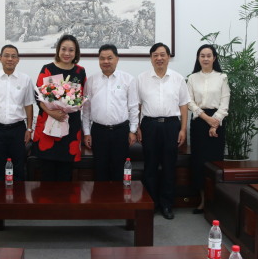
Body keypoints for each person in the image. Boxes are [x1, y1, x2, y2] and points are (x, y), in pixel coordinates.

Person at [136, 42, 190, 220]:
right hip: (149, 125)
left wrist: (183, 129)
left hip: (171, 125)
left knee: (169, 167)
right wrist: (137, 127)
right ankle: (151, 203)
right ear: (151, 58)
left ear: (168, 57)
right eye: (155, 55)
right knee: (150, 166)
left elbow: (184, 105)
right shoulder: (141, 79)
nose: (159, 58)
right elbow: (137, 105)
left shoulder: (178, 78)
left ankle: (167, 204)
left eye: (162, 55)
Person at [33, 34, 87, 181]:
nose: (67, 53)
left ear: (76, 52)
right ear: (58, 50)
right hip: (48, 128)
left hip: (70, 128)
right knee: (47, 175)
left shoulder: (80, 71)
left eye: (71, 50)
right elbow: (38, 96)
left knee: (66, 175)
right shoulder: (48, 69)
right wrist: (51, 112)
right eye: (63, 49)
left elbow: (81, 97)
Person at [82, 44, 139, 181]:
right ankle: (101, 195)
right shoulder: (91, 81)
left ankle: (119, 195)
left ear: (117, 59)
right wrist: (87, 132)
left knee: (119, 170)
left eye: (109, 58)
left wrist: (133, 130)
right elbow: (86, 109)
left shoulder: (128, 79)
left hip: (121, 132)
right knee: (100, 170)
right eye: (102, 58)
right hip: (98, 132)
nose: (106, 61)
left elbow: (133, 107)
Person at [0, 45, 34, 183]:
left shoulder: (25, 79)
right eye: (7, 55)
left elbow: (28, 105)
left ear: (18, 60)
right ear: (0, 58)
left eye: (13, 56)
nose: (10, 59)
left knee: (19, 168)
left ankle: (18, 196)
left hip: (18, 129)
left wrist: (29, 128)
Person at [187, 44, 230, 214]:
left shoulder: (222, 77)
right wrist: (206, 118)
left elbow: (225, 102)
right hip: (199, 122)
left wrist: (215, 122)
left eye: (208, 55)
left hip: (217, 121)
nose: (205, 58)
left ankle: (215, 202)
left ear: (214, 58)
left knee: (215, 163)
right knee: (199, 163)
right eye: (202, 56)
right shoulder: (192, 78)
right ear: (198, 58)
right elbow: (189, 102)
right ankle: (203, 201)